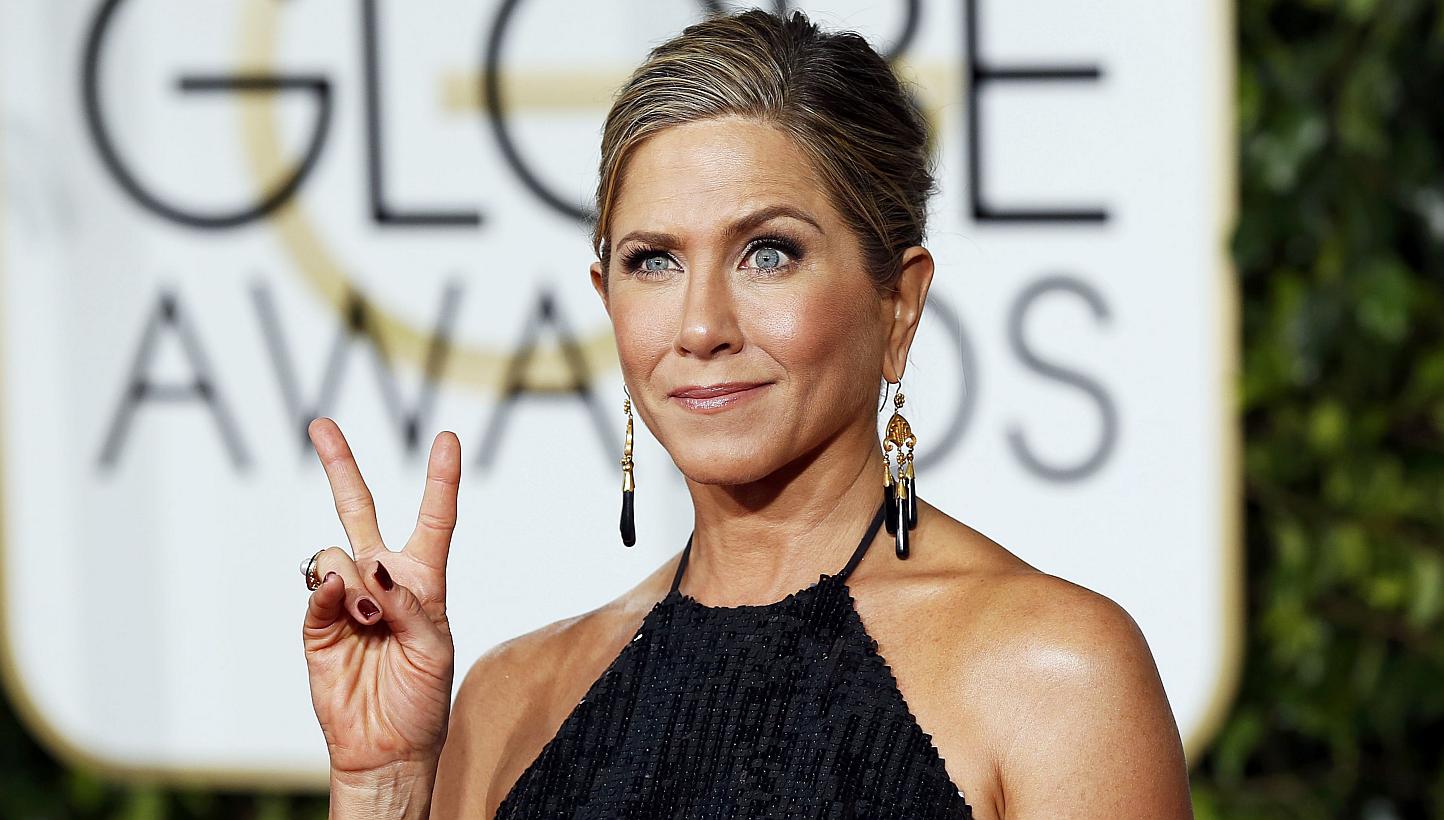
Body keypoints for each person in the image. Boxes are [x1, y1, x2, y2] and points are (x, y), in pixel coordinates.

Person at [298, 9, 1193, 819]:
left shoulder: (1055, 677)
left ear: (898, 304)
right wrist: (381, 785)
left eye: (769, 253)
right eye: (654, 261)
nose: (700, 326)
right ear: (607, 299)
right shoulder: (505, 704)